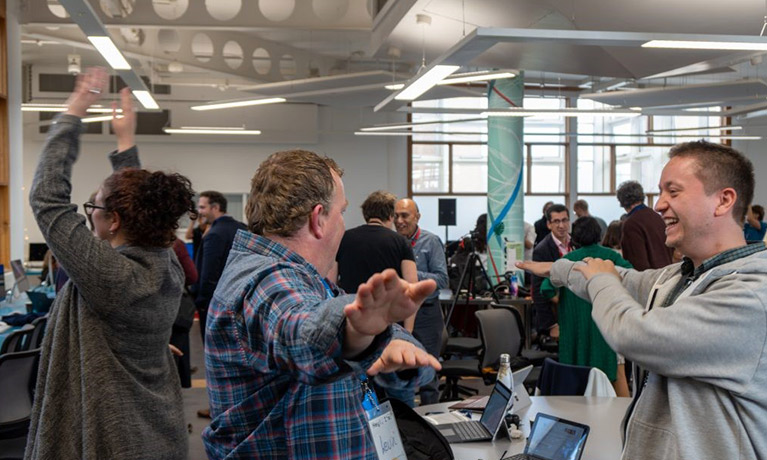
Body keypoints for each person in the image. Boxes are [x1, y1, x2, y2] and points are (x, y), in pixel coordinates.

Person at [519, 140, 767, 459]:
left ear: (723, 200)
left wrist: (602, 282)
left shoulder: (750, 292)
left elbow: (634, 335)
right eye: (659, 193)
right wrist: (559, 269)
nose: (660, 205)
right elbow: (626, 279)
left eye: (673, 192)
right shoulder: (680, 275)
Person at [202, 149, 440, 460]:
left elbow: (403, 358)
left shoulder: (306, 279)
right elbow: (301, 328)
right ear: (318, 219)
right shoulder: (265, 281)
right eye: (341, 212)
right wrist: (354, 333)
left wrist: (387, 347)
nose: (343, 223)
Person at [26, 68, 194, 459]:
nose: (89, 215)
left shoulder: (112, 275)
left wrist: (74, 111)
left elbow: (47, 198)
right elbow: (141, 203)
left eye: (94, 207)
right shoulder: (163, 262)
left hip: (113, 437)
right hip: (155, 428)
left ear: (115, 220)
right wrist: (125, 142)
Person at [540, 217, 631, 396]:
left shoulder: (568, 260)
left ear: (575, 237)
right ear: (599, 234)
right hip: (605, 326)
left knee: (577, 375)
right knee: (616, 374)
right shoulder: (611, 257)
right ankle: (622, 419)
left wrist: (563, 302)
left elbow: (546, 289)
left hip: (575, 328)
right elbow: (630, 279)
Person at [394, 198, 449, 406]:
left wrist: (411, 275)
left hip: (426, 314)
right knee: (398, 372)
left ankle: (430, 421)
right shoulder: (392, 241)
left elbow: (442, 279)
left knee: (428, 373)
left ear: (417, 217)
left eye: (405, 215)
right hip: (399, 314)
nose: (399, 220)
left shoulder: (430, 241)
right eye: (396, 216)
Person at [193, 190, 246, 345]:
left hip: (215, 305)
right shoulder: (243, 228)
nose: (199, 211)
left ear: (215, 208)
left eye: (202, 207)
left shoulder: (214, 234)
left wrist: (201, 302)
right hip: (241, 301)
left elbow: (208, 274)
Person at [532, 203, 571, 338]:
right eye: (556, 221)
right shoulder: (542, 250)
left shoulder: (577, 243)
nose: (561, 225)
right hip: (556, 314)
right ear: (549, 224)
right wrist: (552, 325)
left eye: (564, 220)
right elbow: (537, 291)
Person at [616, 180, 673, 270]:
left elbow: (637, 262)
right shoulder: (657, 217)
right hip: (667, 273)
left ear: (622, 202)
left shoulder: (631, 224)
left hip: (650, 279)